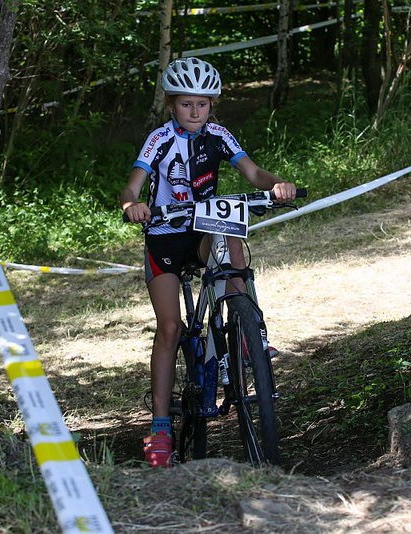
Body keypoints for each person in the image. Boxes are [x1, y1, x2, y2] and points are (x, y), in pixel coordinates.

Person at [120, 57, 296, 468]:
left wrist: (278, 185)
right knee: (170, 328)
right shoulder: (159, 138)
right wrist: (132, 205)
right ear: (171, 105)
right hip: (164, 236)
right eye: (186, 104)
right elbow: (132, 186)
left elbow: (253, 173)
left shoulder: (218, 135)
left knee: (228, 225)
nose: (195, 111)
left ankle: (246, 330)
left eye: (202, 104)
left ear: (211, 105)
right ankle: (160, 427)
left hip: (201, 231)